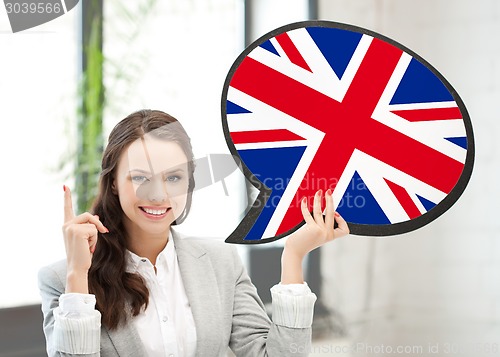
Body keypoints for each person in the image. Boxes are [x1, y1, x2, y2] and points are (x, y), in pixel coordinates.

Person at [38, 109, 349, 357]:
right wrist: (78, 274)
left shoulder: (221, 262)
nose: (158, 195)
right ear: (115, 182)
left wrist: (293, 256)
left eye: (173, 177)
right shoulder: (60, 281)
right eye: (140, 178)